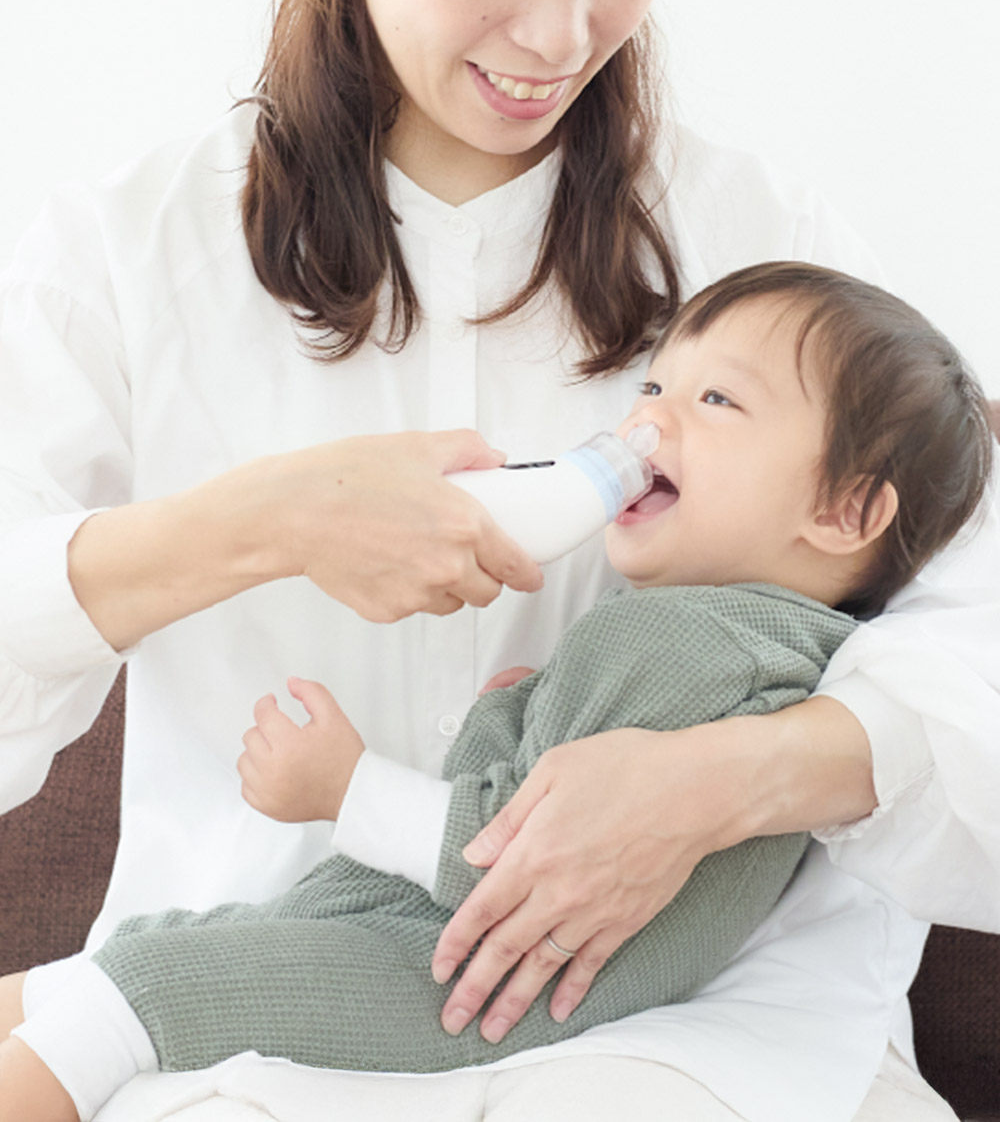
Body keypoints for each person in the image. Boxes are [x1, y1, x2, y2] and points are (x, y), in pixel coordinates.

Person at [0, 0, 997, 1120]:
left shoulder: (768, 254)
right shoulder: (131, 254)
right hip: (257, 1014)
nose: (562, 33)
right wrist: (263, 521)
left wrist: (714, 783)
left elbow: (973, 625)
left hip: (708, 1035)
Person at [2, 262, 993, 1122]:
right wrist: (513, 712)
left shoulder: (695, 649)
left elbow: (510, 871)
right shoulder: (738, 643)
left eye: (715, 403)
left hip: (486, 986)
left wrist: (344, 788)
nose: (647, 419)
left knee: (140, 990)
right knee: (149, 953)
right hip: (470, 955)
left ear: (847, 508)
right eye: (653, 383)